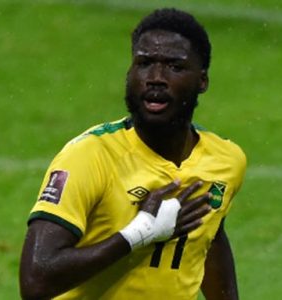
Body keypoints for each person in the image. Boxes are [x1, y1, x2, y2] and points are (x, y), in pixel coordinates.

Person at [19, 8, 246, 300]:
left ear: (202, 81)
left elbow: (210, 237)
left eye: (174, 67)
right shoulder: (90, 156)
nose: (156, 78)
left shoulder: (225, 160)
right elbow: (36, 282)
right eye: (144, 63)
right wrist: (138, 234)